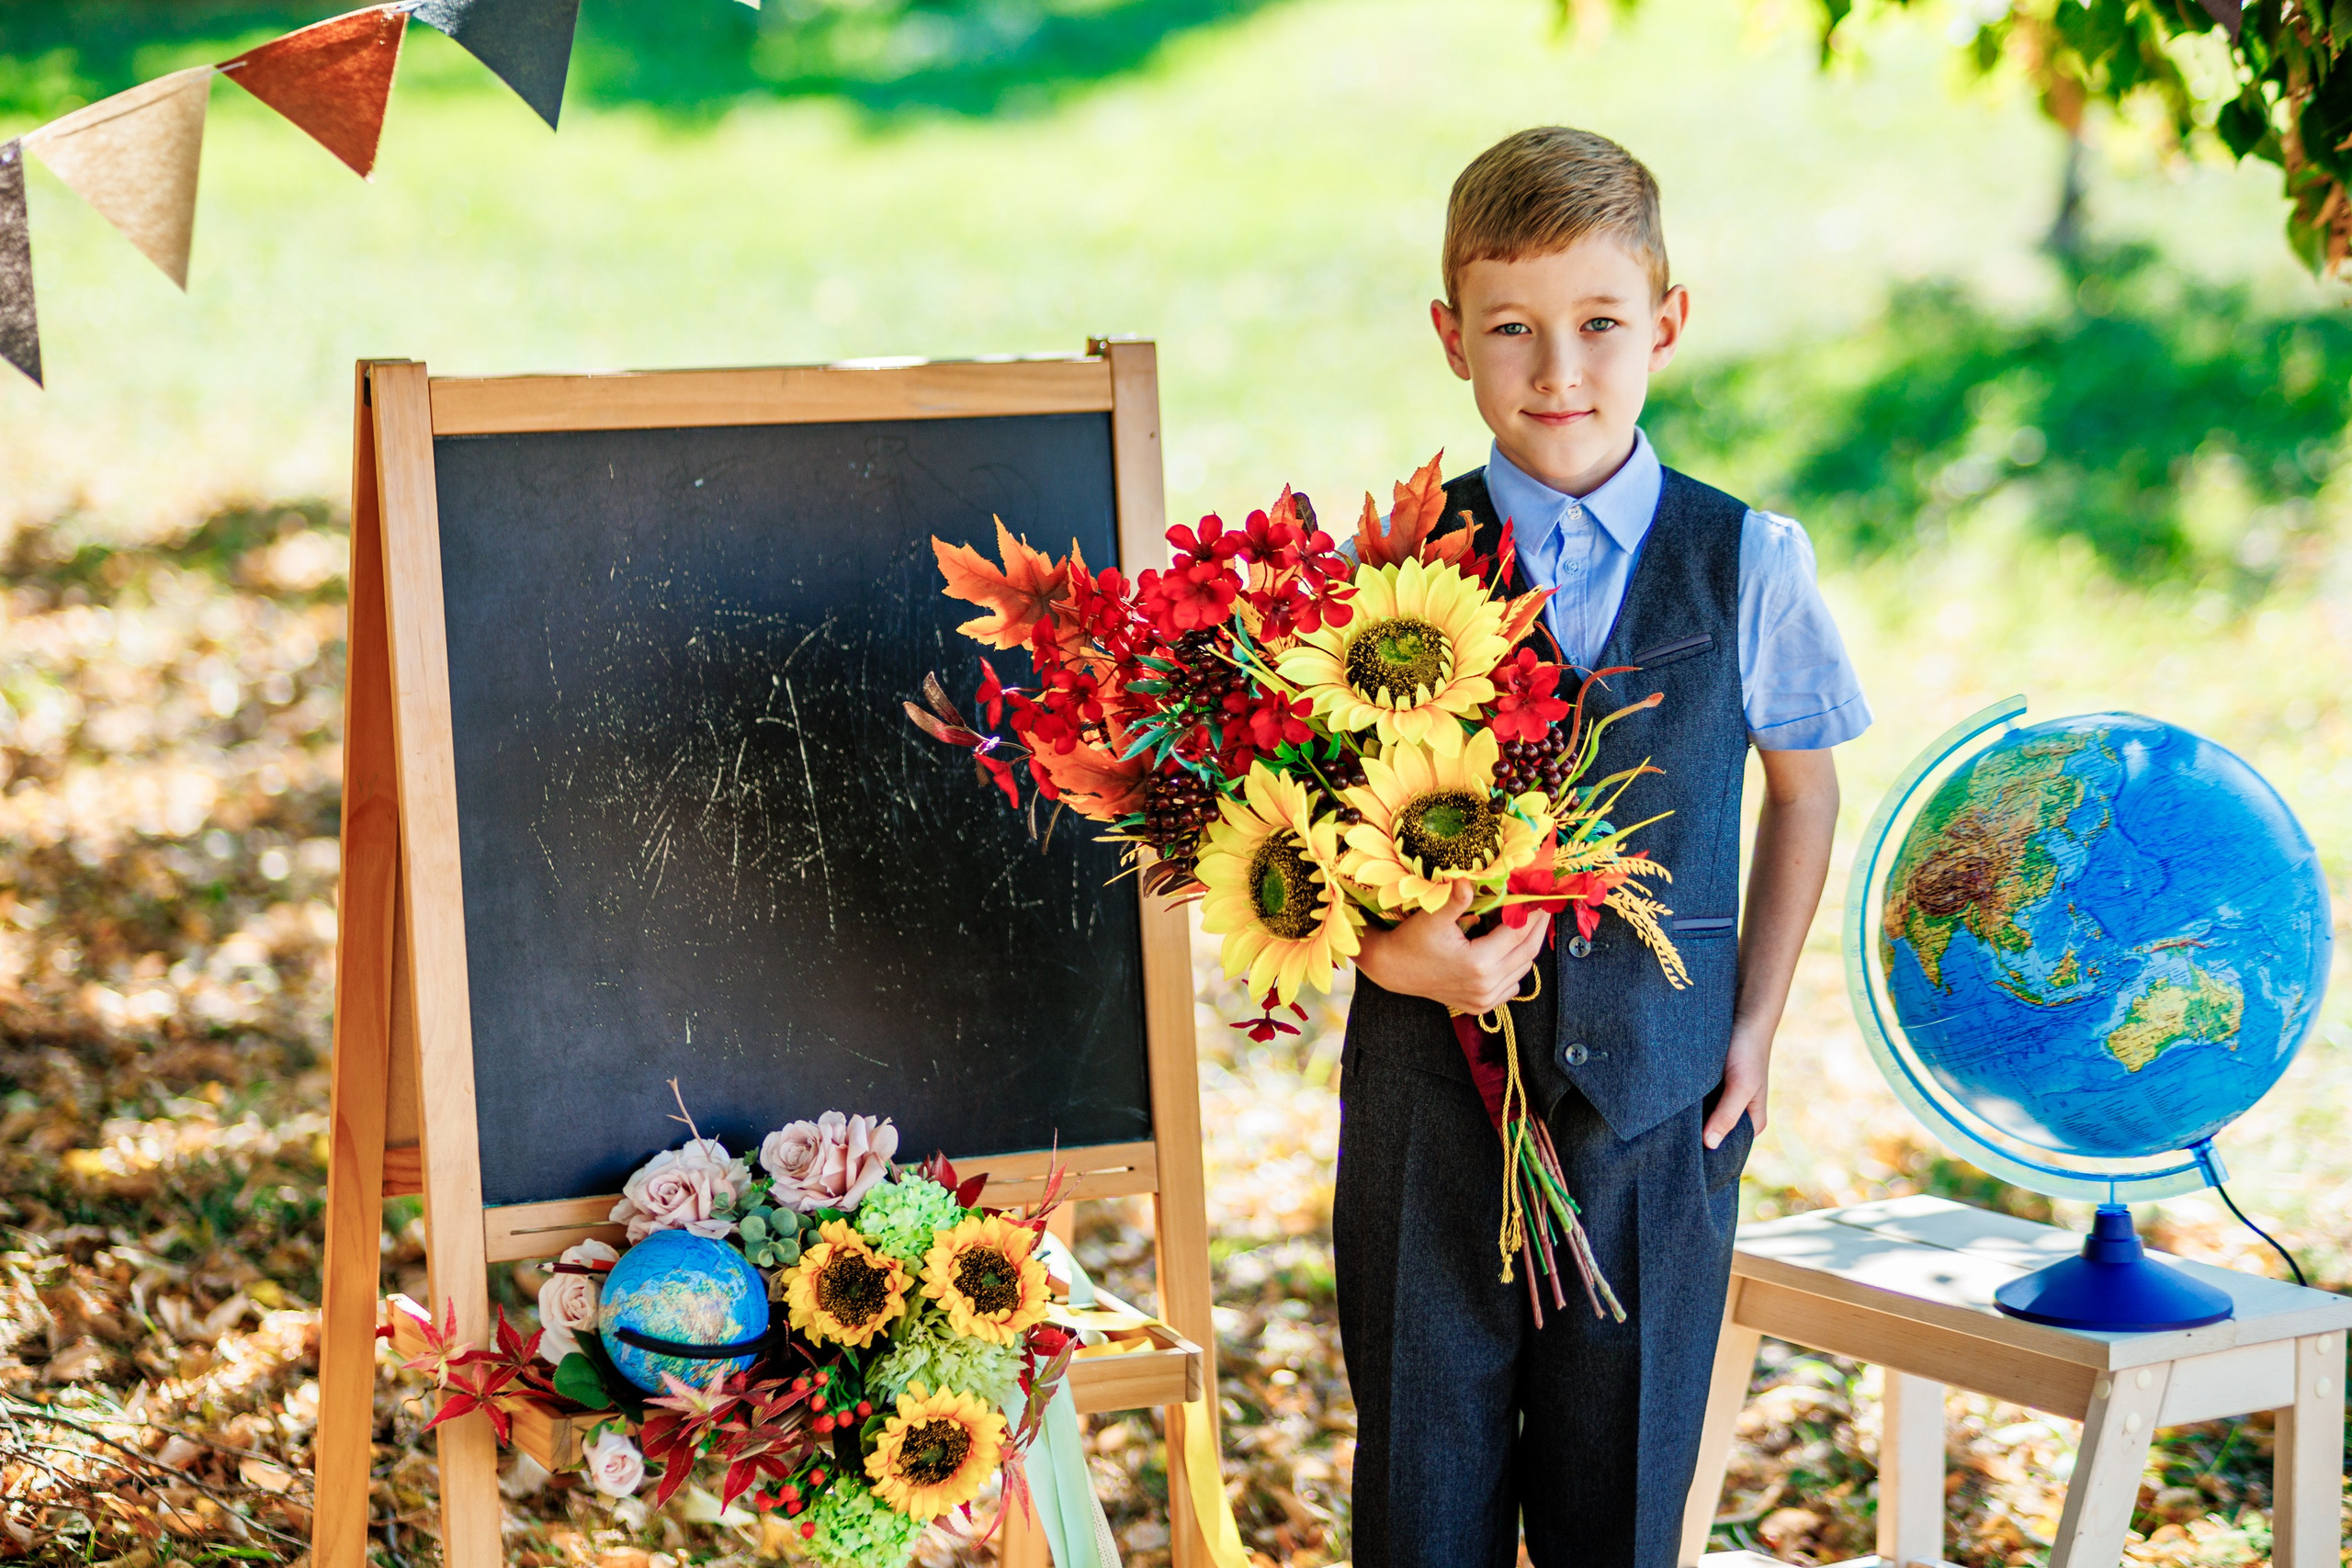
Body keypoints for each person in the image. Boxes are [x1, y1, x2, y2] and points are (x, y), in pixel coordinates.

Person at [1332, 126, 1870, 1568]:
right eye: (1511, 329)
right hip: (1427, 1118)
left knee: (1620, 1507)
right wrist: (1400, 952)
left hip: (1659, 1113)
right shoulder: (1382, 567)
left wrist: (1754, 1029)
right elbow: (1304, 839)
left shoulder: (1749, 558)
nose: (1557, 371)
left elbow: (1802, 793)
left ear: (1667, 325)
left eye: (1599, 325)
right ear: (1452, 338)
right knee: (1420, 1506)